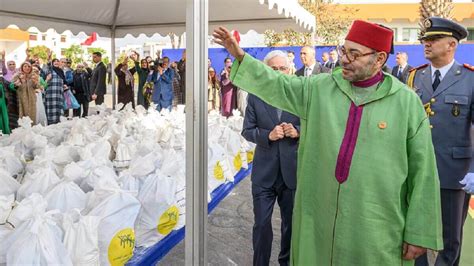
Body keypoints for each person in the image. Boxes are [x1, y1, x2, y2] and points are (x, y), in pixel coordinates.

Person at [213, 20, 443, 265]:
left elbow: (424, 171)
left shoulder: (405, 102)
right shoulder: (320, 88)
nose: (345, 59)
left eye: (355, 54)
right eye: (344, 50)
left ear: (379, 59)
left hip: (376, 225)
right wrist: (240, 56)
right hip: (320, 221)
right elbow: (279, 85)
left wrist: (418, 231)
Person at [406, 17, 472, 266]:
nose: (426, 44)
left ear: (451, 44)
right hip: (418, 168)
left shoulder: (469, 78)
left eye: (433, 40)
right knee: (416, 230)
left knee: (450, 237)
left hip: (454, 171)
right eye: (425, 39)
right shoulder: (414, 77)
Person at [242, 50, 299, 266]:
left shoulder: (298, 94)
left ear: (289, 69)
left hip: (291, 173)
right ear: (266, 70)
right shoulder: (256, 96)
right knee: (262, 225)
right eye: (273, 69)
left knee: (291, 226)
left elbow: (314, 123)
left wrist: (298, 131)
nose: (278, 72)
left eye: (282, 68)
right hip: (264, 174)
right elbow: (247, 130)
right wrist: (268, 135)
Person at [45, 57, 67, 125]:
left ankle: (58, 121)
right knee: (51, 107)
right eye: (54, 61)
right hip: (51, 93)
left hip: (59, 93)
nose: (56, 62)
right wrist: (48, 57)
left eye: (57, 61)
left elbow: (64, 81)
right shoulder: (50, 70)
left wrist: (65, 85)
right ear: (52, 63)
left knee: (59, 106)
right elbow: (48, 65)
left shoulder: (61, 71)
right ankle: (51, 122)